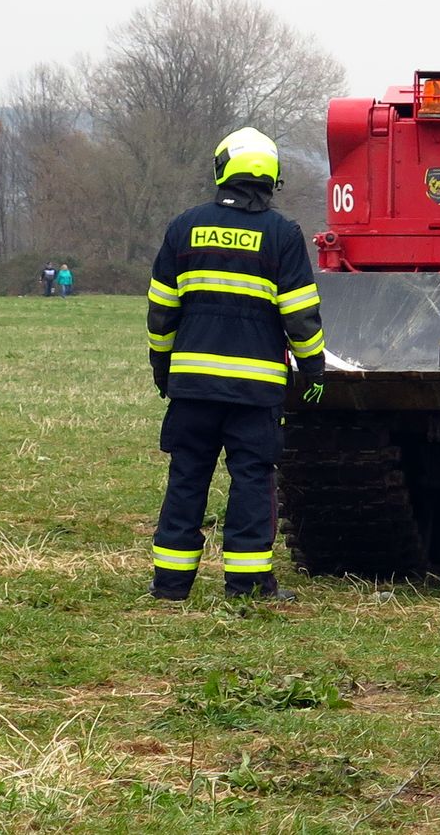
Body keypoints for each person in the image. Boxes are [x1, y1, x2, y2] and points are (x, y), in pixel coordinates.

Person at [145, 127, 326, 602]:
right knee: (251, 480)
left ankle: (170, 585)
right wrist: (314, 370)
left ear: (223, 169)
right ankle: (247, 586)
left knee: (187, 477)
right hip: (254, 393)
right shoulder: (282, 235)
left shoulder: (184, 227)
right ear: (271, 178)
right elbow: (300, 315)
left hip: (192, 388)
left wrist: (162, 368)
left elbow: (161, 311)